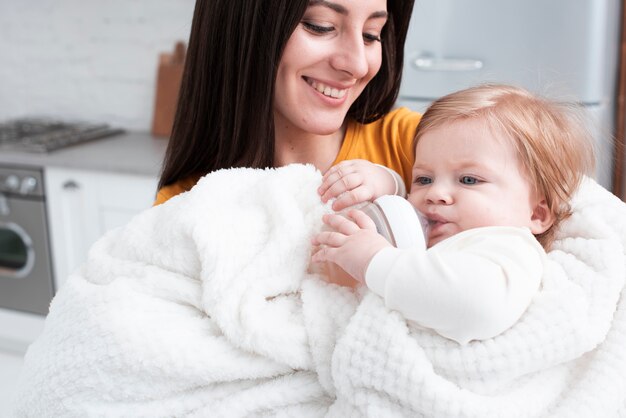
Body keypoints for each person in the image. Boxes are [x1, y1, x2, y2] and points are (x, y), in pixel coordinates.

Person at [311, 84, 595, 344]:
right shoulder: (442, 230)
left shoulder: (507, 247)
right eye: (423, 179)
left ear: (536, 213)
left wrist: (375, 260)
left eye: (469, 180)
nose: (435, 193)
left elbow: (477, 305)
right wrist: (388, 183)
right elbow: (408, 225)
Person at [155, 0, 420, 211]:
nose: (358, 65)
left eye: (371, 35)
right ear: (244, 27)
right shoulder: (182, 208)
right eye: (321, 26)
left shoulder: (421, 147)